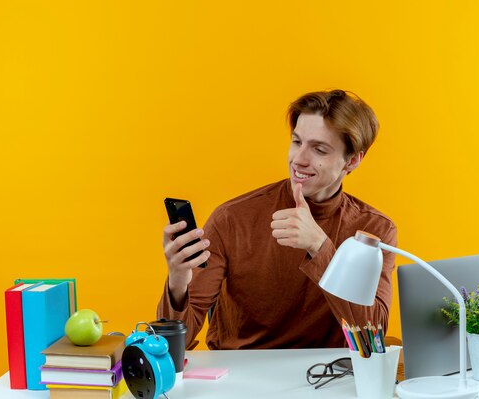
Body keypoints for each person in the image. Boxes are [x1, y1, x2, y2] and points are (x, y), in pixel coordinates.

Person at [157, 89, 397, 349]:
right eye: (296, 142)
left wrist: (320, 247)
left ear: (352, 161)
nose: (299, 159)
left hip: (329, 378)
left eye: (319, 149)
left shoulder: (375, 230)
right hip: (242, 377)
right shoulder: (232, 219)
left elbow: (372, 338)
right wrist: (178, 281)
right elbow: (170, 349)